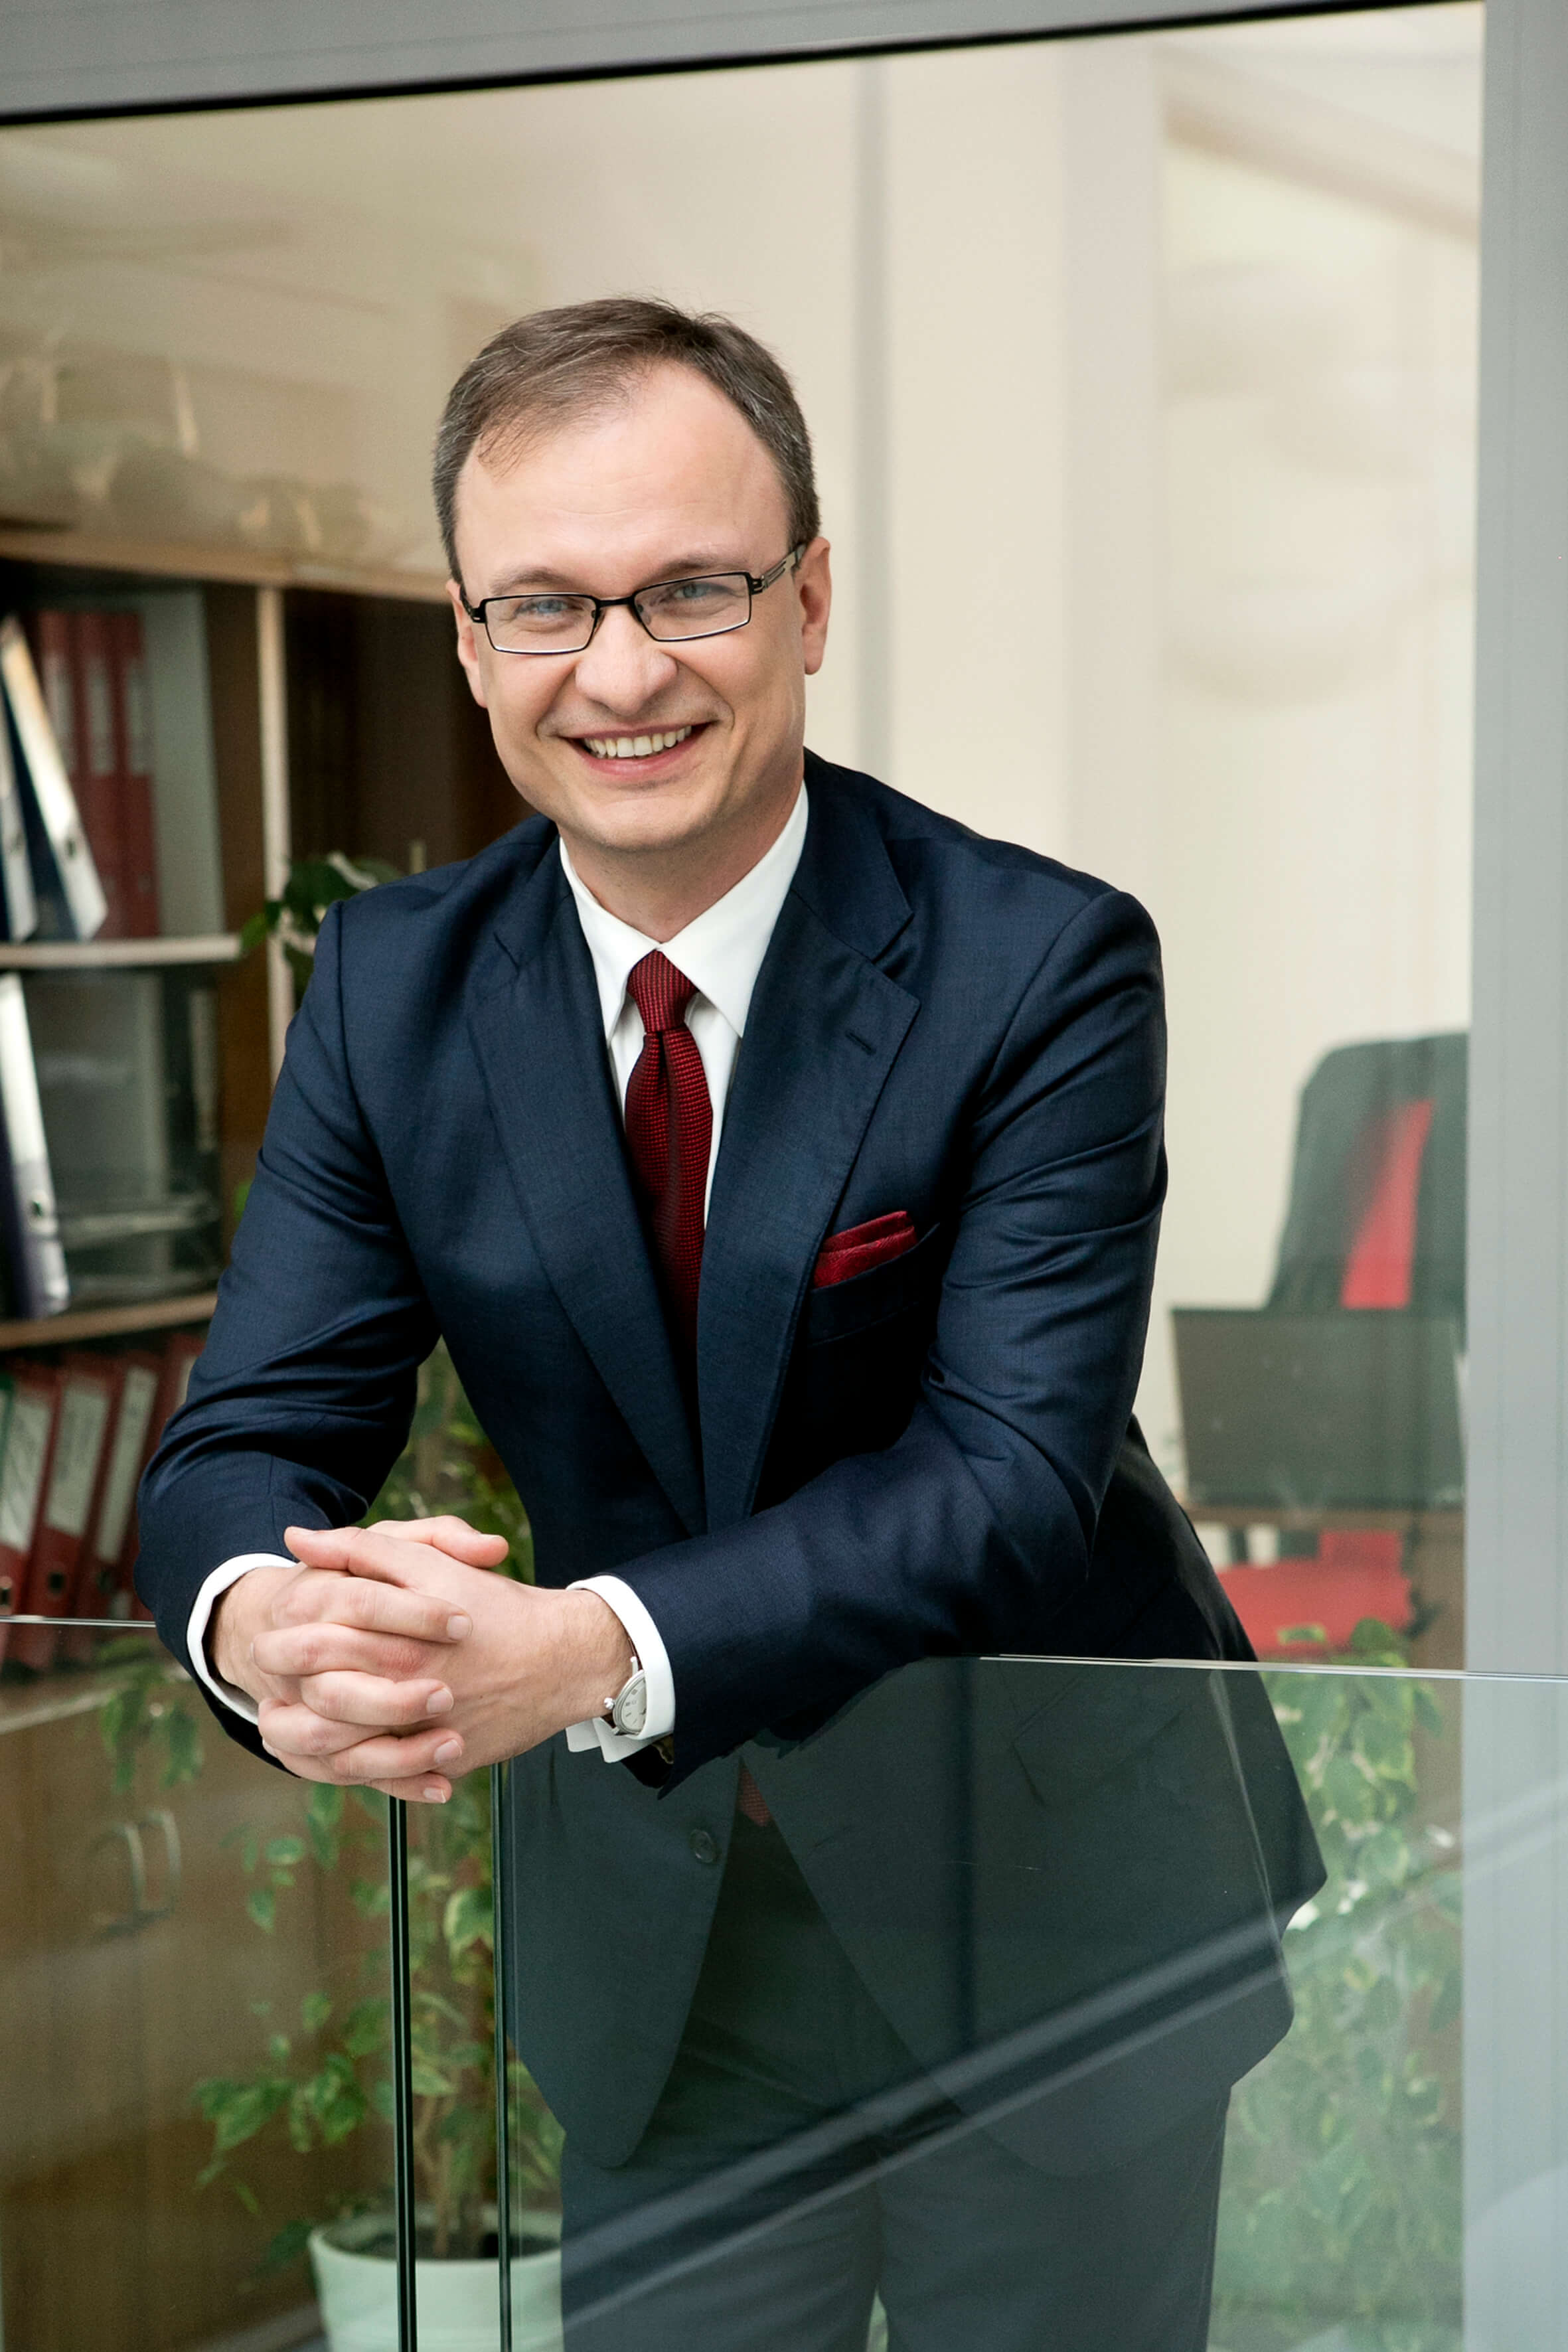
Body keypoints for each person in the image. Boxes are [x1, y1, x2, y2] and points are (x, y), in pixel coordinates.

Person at [138, 297, 1321, 2351]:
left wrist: (590, 1649)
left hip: (1045, 1919)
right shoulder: (392, 986)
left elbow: (1005, 1481)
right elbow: (247, 1432)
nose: (619, 672)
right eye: (543, 605)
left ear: (808, 600)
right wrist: (266, 1624)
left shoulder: (1037, 963)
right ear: (467, 640)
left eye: (690, 587)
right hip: (666, 1949)